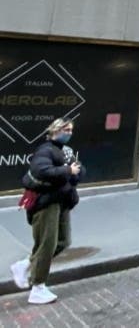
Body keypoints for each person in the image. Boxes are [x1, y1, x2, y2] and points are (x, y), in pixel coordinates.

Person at [10, 118, 83, 304]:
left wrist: (75, 172)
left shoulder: (65, 151)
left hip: (62, 202)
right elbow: (42, 171)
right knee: (47, 244)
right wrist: (68, 170)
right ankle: (38, 287)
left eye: (72, 130)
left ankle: (25, 265)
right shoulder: (45, 150)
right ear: (55, 130)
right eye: (66, 129)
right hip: (46, 203)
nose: (69, 133)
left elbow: (80, 170)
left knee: (63, 241)